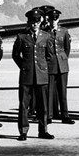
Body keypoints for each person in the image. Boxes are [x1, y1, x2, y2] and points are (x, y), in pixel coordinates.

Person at [12, 8, 55, 141]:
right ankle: (23, 131)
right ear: (28, 22)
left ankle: (43, 130)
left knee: (43, 105)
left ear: (40, 21)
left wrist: (41, 67)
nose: (35, 24)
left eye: (37, 21)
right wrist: (25, 66)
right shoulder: (22, 37)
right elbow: (15, 55)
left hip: (41, 76)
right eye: (32, 21)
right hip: (26, 76)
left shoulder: (46, 36)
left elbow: (50, 56)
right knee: (24, 105)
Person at [45, 9, 73, 124]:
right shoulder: (45, 32)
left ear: (58, 19)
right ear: (48, 20)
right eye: (51, 19)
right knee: (49, 92)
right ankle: (49, 115)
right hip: (50, 64)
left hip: (62, 65)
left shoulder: (64, 31)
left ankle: (65, 115)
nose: (53, 21)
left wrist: (62, 59)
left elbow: (67, 48)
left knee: (63, 92)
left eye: (55, 18)